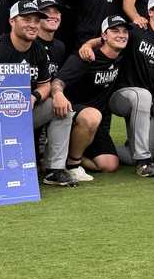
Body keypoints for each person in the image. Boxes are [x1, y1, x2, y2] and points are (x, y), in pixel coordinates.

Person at [0, 0, 75, 187]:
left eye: (36, 20)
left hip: (23, 112)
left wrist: (34, 97)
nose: (33, 25)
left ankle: (54, 170)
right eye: (26, 19)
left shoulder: (38, 49)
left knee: (62, 107)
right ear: (12, 21)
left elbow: (45, 85)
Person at [80, 0, 154, 177]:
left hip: (145, 105)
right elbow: (109, 37)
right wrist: (88, 44)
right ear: (150, 12)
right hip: (120, 96)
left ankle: (95, 149)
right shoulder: (136, 31)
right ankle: (143, 164)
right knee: (142, 96)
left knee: (148, 150)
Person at [51, 15, 129, 181]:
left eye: (124, 31)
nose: (121, 35)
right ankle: (73, 165)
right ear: (104, 36)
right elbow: (58, 81)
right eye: (115, 31)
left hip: (96, 123)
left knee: (109, 165)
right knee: (93, 115)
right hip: (71, 116)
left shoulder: (122, 55)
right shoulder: (86, 57)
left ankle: (63, 156)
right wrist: (58, 93)